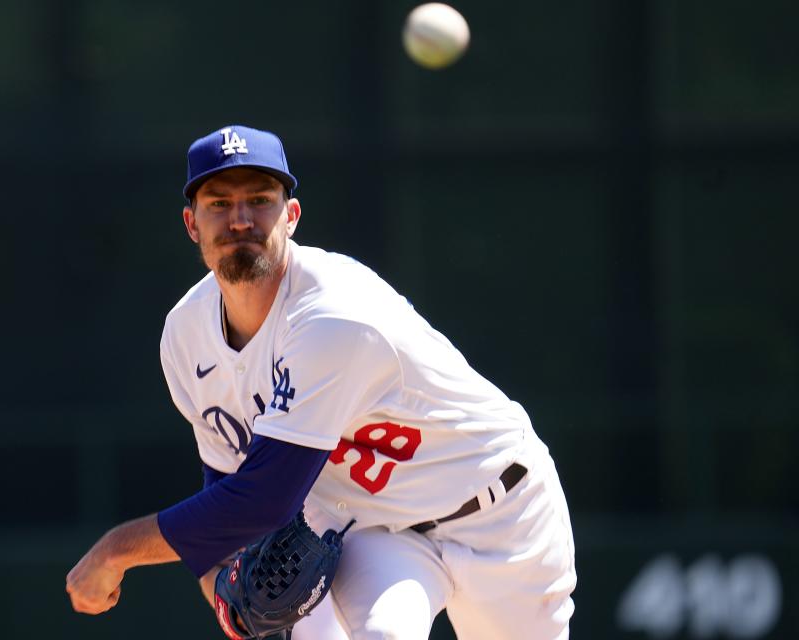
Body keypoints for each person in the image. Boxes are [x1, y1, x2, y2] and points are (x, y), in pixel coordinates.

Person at [66, 124, 577, 639]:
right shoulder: (185, 335)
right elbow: (225, 494)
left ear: (291, 216)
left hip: (501, 513)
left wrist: (117, 550)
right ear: (191, 224)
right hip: (379, 532)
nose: (240, 219)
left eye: (260, 200)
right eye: (218, 203)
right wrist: (224, 594)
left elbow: (264, 499)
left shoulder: (333, 314)